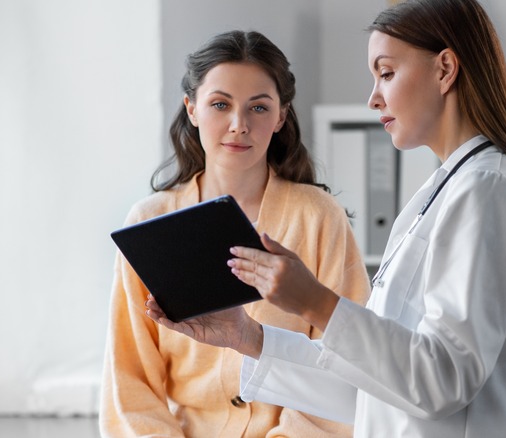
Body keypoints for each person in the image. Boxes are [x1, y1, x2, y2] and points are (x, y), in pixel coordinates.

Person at [147, 0, 506, 436]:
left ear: (445, 69)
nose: (373, 97)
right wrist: (247, 337)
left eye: (386, 73)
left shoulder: (486, 189)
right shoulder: (444, 190)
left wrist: (315, 302)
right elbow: (373, 389)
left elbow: (443, 381)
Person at [101, 30, 371, 437]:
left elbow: (349, 362)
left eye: (259, 108)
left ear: (281, 116)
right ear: (192, 109)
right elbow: (129, 383)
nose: (239, 125)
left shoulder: (319, 218)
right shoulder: (147, 224)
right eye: (220, 104)